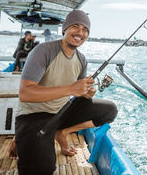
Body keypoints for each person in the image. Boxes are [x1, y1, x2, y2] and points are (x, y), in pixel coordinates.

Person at [12, 10, 118, 175]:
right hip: (33, 115)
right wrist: (71, 89)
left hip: (62, 112)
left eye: (85, 30)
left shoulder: (81, 59)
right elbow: (25, 93)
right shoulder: (43, 50)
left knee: (109, 110)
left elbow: (79, 90)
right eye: (75, 26)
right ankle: (21, 137)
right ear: (64, 29)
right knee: (42, 170)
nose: (80, 33)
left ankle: (63, 132)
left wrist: (86, 92)